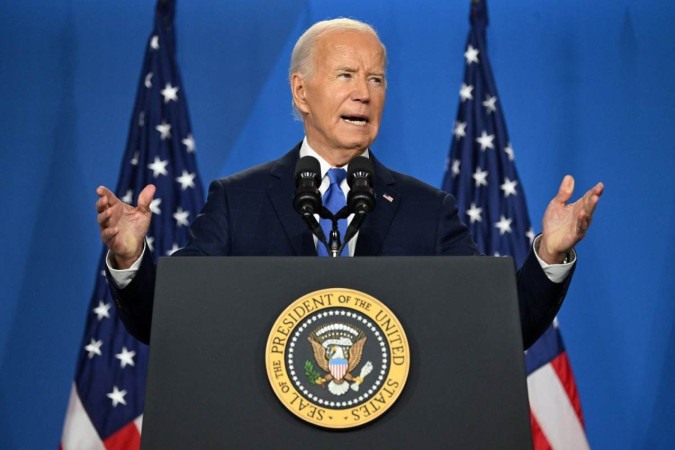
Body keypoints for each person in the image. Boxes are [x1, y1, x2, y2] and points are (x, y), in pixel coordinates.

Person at [96, 18, 603, 347]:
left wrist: (550, 256)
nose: (364, 93)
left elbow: (498, 326)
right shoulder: (238, 202)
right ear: (301, 92)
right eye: (346, 75)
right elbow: (169, 321)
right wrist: (128, 261)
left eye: (376, 79)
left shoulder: (428, 211)